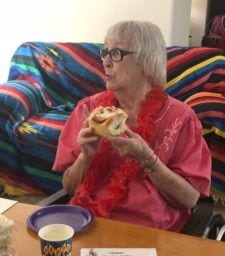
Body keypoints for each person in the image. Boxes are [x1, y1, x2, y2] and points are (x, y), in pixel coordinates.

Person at [52, 20, 211, 232]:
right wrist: (85, 156)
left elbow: (190, 199)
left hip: (150, 235)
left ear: (147, 61)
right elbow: (69, 188)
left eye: (116, 53)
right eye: (105, 52)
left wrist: (148, 160)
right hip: (88, 225)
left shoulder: (181, 118)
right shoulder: (89, 110)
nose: (106, 62)